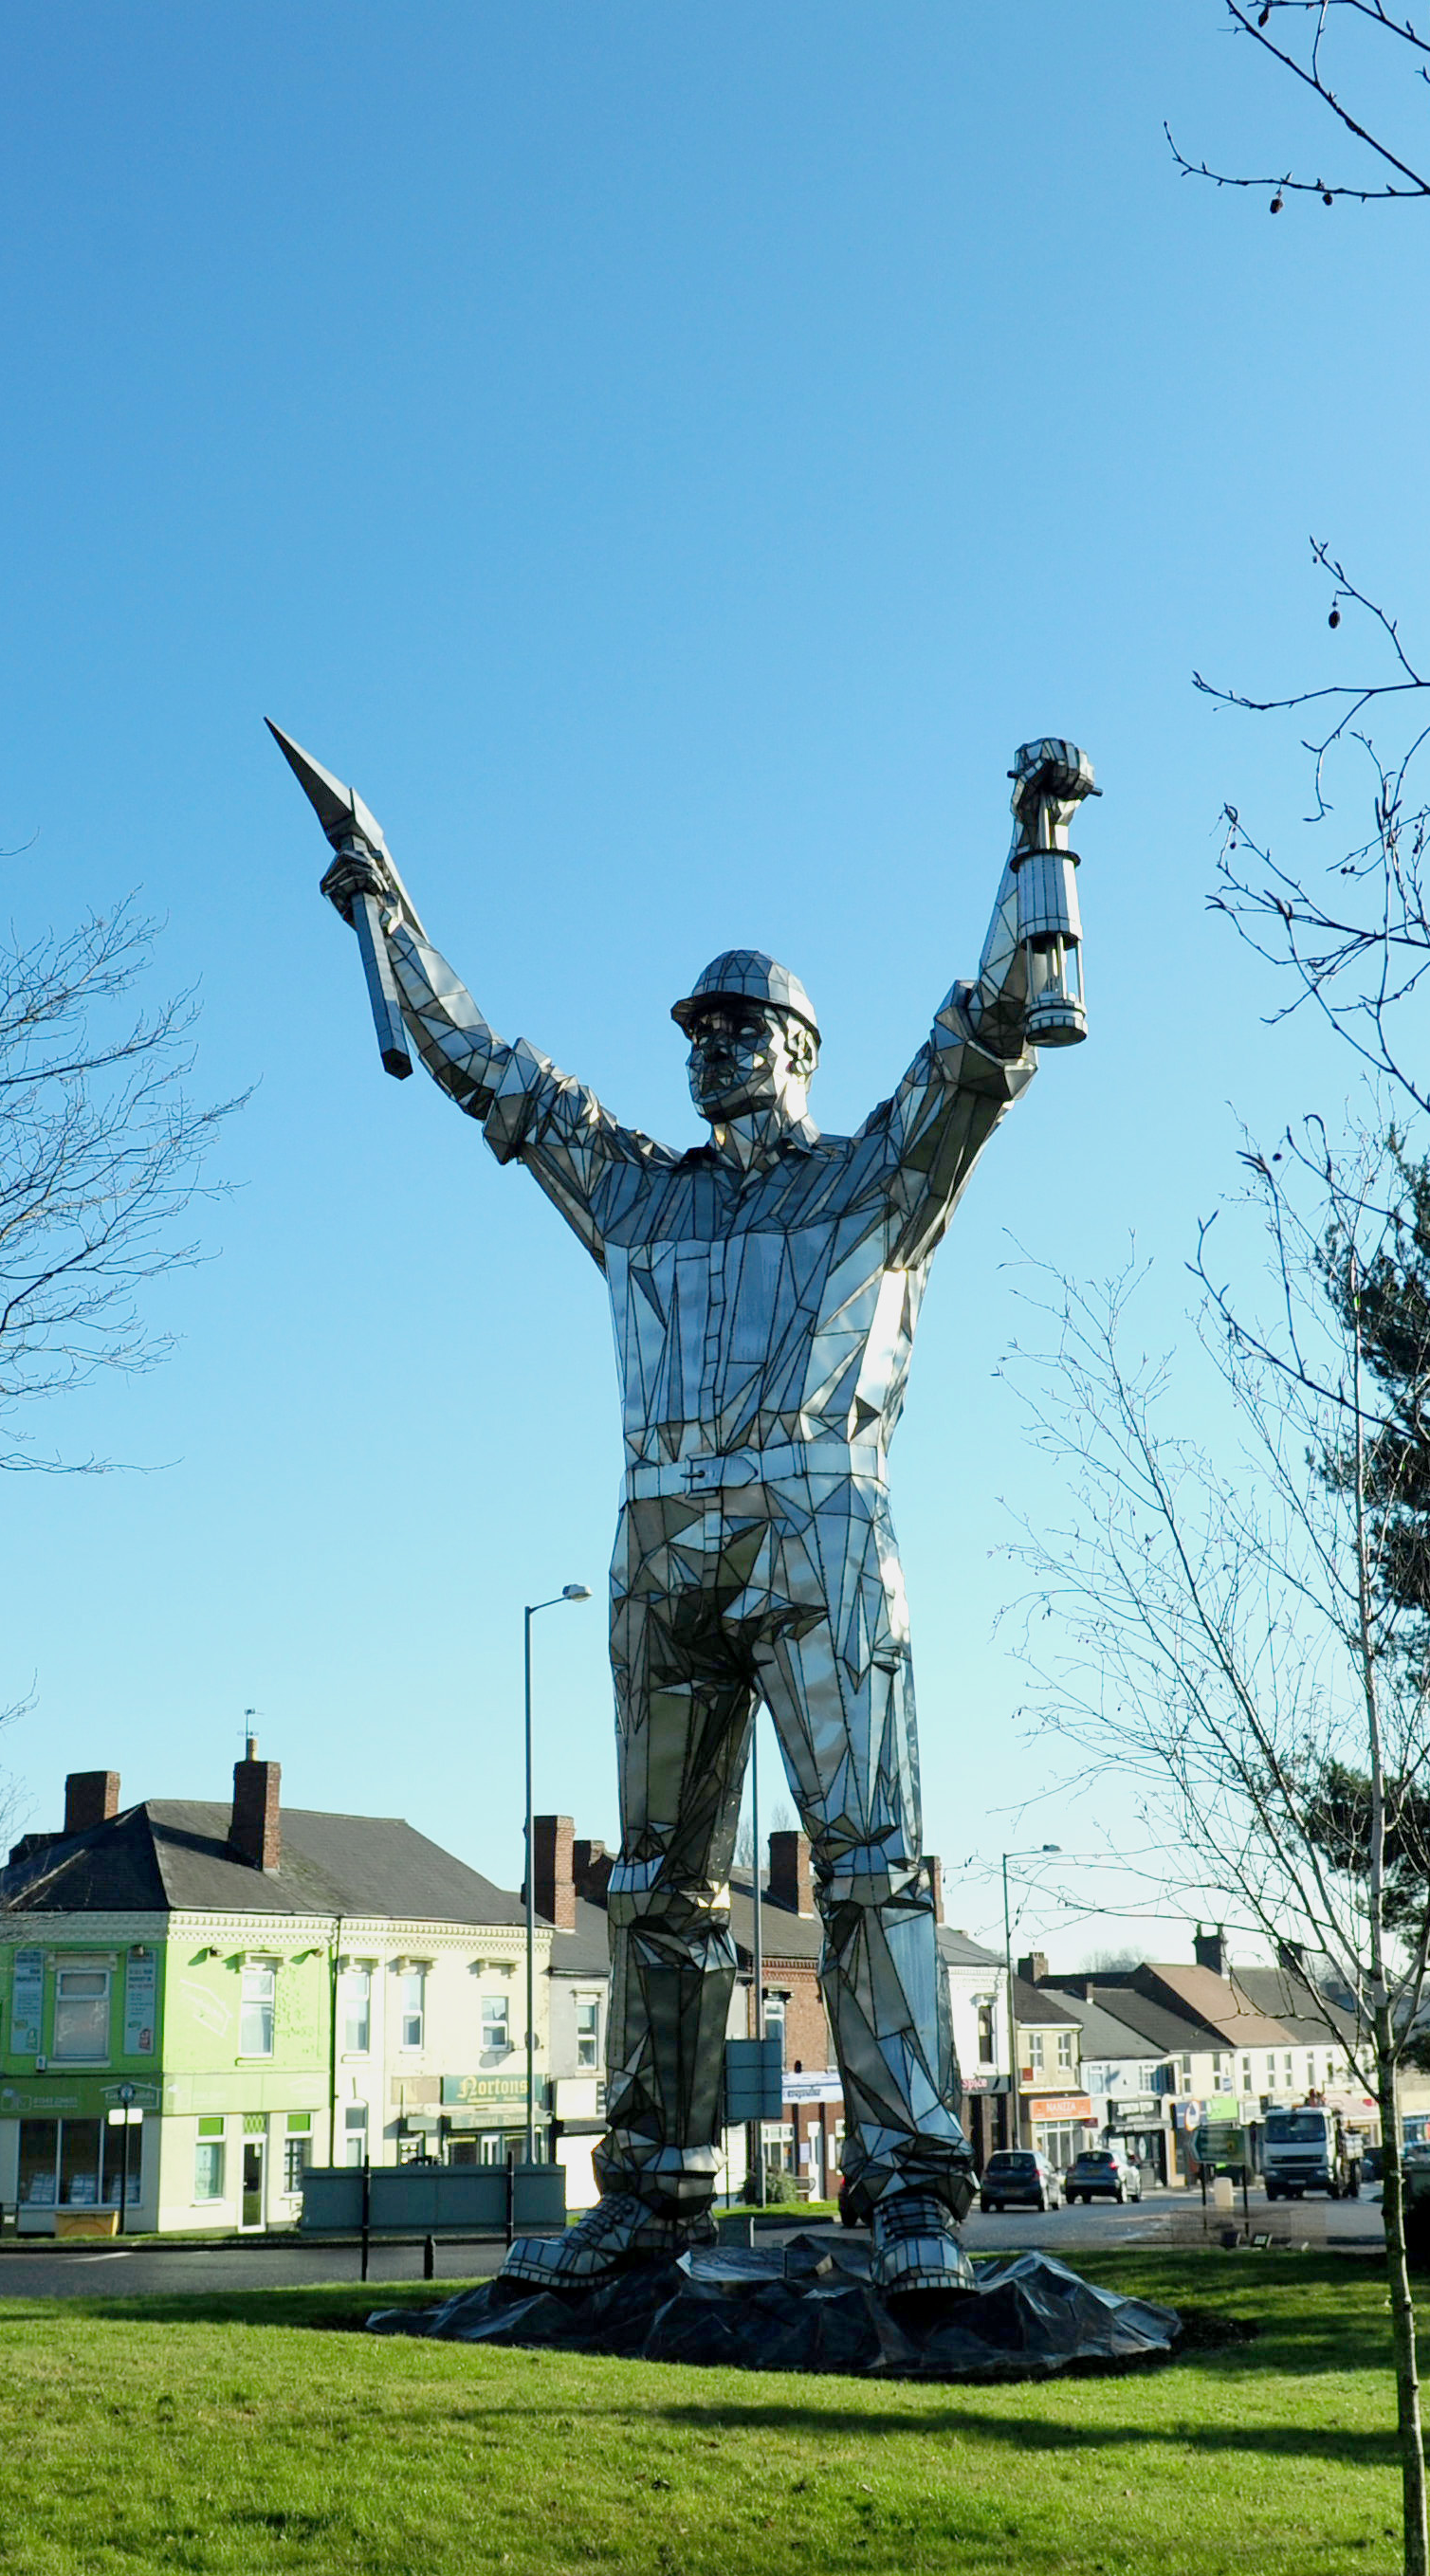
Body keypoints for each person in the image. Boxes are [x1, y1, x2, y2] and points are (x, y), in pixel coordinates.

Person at [317, 742, 1093, 2294]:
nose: (713, 1049)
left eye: (741, 1027)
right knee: (655, 1890)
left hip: (822, 1533)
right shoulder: (642, 1198)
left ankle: (911, 2186)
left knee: (870, 1863)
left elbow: (995, 1041)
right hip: (661, 1539)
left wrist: (1039, 844)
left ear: (799, 1045)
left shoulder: (873, 1181)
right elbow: (490, 1074)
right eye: (698, 1032)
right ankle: (655, 2187)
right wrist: (386, 912)